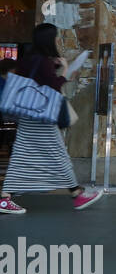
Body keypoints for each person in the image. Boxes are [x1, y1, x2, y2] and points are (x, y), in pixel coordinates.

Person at [0, 23, 103, 214]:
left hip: (27, 114)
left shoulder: (27, 59)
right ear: (49, 40)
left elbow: (35, 82)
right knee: (56, 155)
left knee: (26, 155)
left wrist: (54, 68)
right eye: (56, 37)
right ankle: (76, 194)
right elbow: (53, 88)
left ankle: (75, 193)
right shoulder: (43, 61)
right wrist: (64, 72)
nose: (58, 40)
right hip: (41, 118)